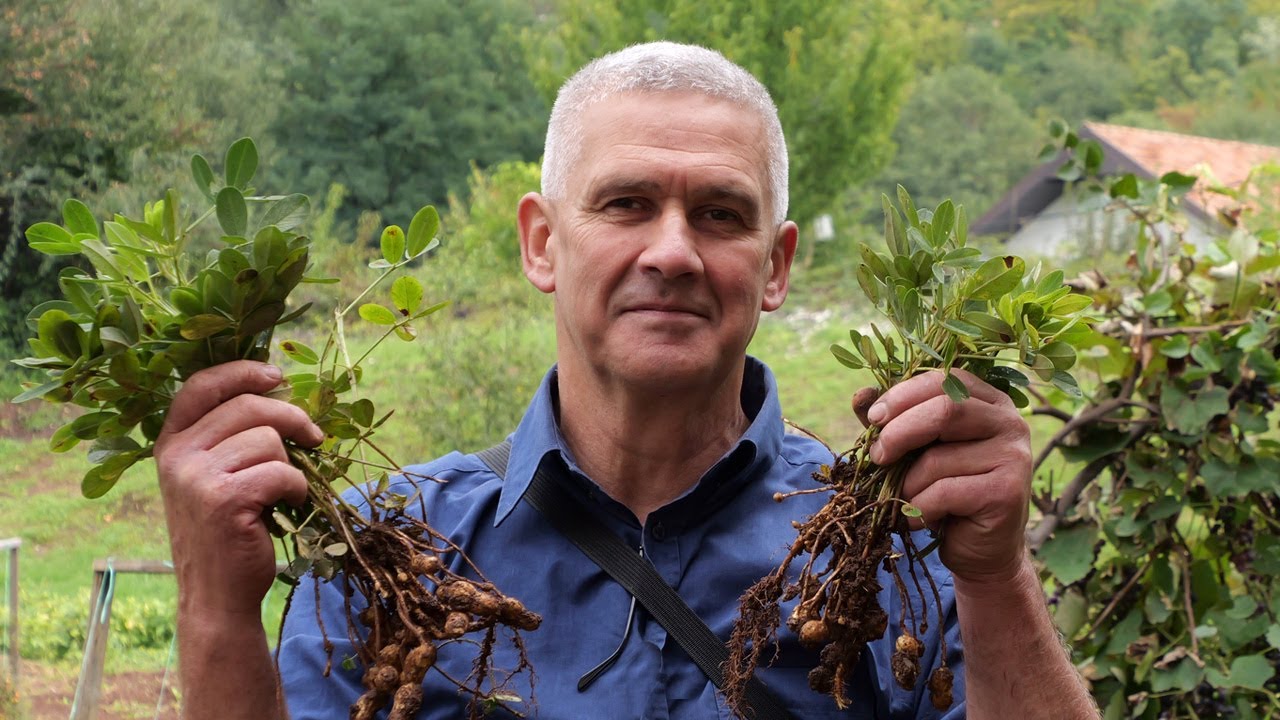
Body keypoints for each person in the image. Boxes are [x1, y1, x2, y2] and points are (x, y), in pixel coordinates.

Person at [155, 42, 1098, 719]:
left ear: (775, 266)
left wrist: (999, 577)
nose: (673, 252)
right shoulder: (384, 556)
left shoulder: (899, 558)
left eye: (720, 214)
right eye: (627, 203)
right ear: (542, 243)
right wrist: (216, 608)